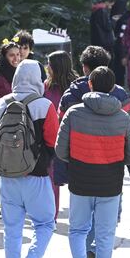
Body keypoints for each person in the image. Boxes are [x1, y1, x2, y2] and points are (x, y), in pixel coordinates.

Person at [56, 47, 130, 258]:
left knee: (79, 224)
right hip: (111, 173)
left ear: (84, 68)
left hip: (80, 170)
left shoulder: (71, 98)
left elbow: (59, 138)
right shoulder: (121, 98)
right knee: (106, 224)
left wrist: (62, 168)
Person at [0, 60, 59, 258]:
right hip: (36, 176)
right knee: (45, 224)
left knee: (12, 231)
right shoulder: (44, 105)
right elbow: (53, 142)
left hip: (7, 178)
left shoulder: (0, 104)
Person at [44, 50, 78, 217]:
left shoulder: (76, 87)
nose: (47, 67)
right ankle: (52, 215)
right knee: (53, 180)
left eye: (49, 64)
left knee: (77, 181)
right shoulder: (45, 86)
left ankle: (78, 216)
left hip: (75, 139)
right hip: (53, 140)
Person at [0, 39, 21, 104]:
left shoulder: (21, 73)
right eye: (12, 55)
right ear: (4, 57)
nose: (16, 58)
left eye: (18, 54)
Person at [110, 0, 130, 86]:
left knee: (118, 68)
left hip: (117, 44)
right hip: (124, 45)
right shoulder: (127, 17)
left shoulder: (115, 13)